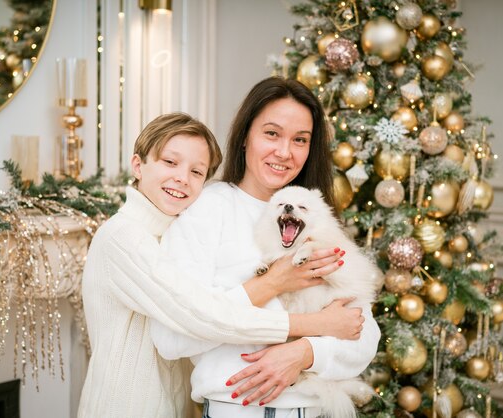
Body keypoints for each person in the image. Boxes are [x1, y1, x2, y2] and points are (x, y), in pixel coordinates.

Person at [77, 112, 364, 418]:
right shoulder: (124, 238)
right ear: (138, 165)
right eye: (170, 162)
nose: (182, 178)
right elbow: (199, 314)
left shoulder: (167, 232)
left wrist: (307, 349)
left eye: (197, 172)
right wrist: (309, 323)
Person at [151, 78, 381, 418]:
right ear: (246, 136)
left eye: (300, 140)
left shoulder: (316, 219)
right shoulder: (206, 210)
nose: (285, 152)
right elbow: (172, 339)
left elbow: (363, 336)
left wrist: (305, 353)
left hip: (313, 410)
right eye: (272, 134)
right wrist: (273, 285)